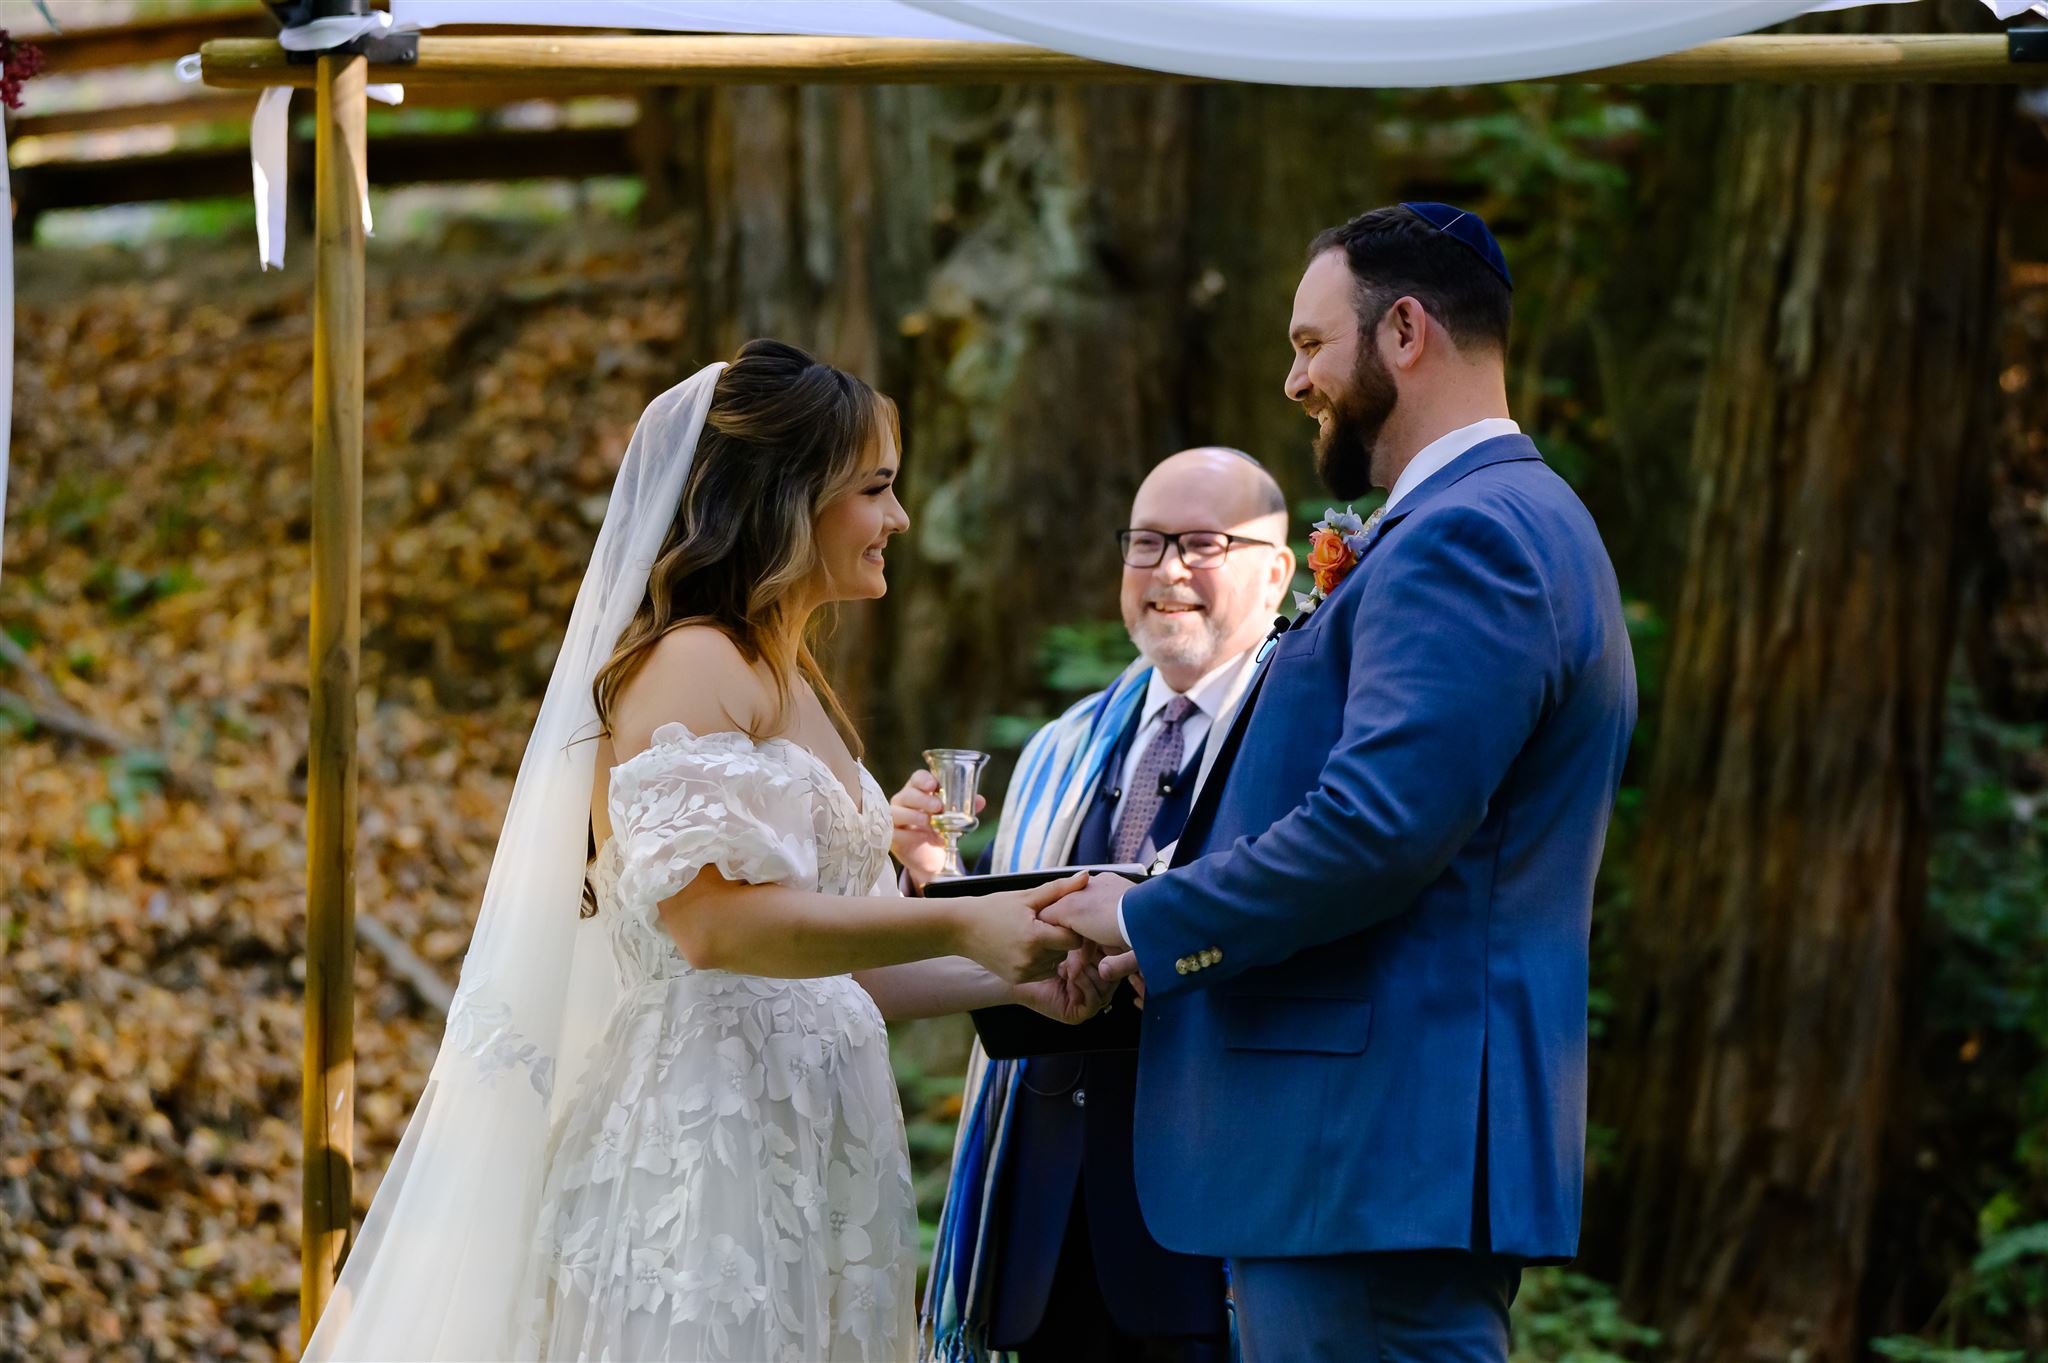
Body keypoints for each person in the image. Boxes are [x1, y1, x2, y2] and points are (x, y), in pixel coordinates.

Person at [303, 340, 1112, 1363]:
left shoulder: (792, 677)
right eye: (875, 490)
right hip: (703, 1154)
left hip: (806, 1143)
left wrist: (1009, 974)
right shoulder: (694, 662)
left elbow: (833, 972)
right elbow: (714, 926)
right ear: (787, 498)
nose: (897, 520)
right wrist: (960, 916)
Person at [1044, 204, 1639, 1362]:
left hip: (1368, 1157)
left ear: (1404, 330)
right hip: (1364, 1163)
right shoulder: (1491, 521)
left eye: (1311, 344)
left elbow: (1375, 828)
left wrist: (1146, 915)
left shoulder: (1472, 537)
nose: (1292, 380)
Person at [896, 448, 1295, 1363]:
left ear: (1276, 570)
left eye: (1201, 544)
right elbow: (1011, 941)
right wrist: (932, 872)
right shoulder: (1059, 746)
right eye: (1146, 543)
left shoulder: (1301, 739)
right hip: (1041, 1212)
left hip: (1208, 1213)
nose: (1166, 571)